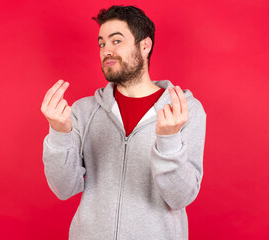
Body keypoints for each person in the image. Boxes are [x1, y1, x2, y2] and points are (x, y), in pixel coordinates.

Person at [41, 5, 206, 240]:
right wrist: (59, 134)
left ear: (145, 46)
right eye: (101, 43)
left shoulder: (184, 110)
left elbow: (180, 197)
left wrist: (168, 140)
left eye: (116, 41)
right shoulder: (83, 111)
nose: (106, 50)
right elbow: (64, 188)